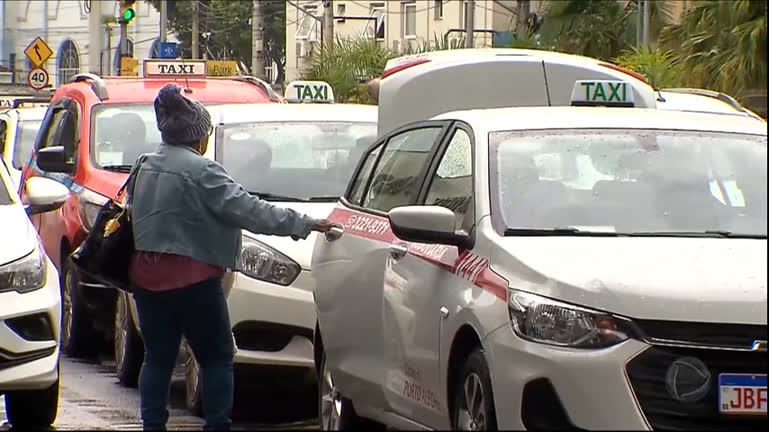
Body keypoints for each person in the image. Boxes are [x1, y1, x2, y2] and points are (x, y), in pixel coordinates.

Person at [125, 83, 337, 431]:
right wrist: (305, 223)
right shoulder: (203, 171)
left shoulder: (144, 166)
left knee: (157, 359)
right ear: (198, 137)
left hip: (147, 280)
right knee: (217, 357)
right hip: (195, 282)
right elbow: (252, 212)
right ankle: (217, 425)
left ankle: (153, 426)